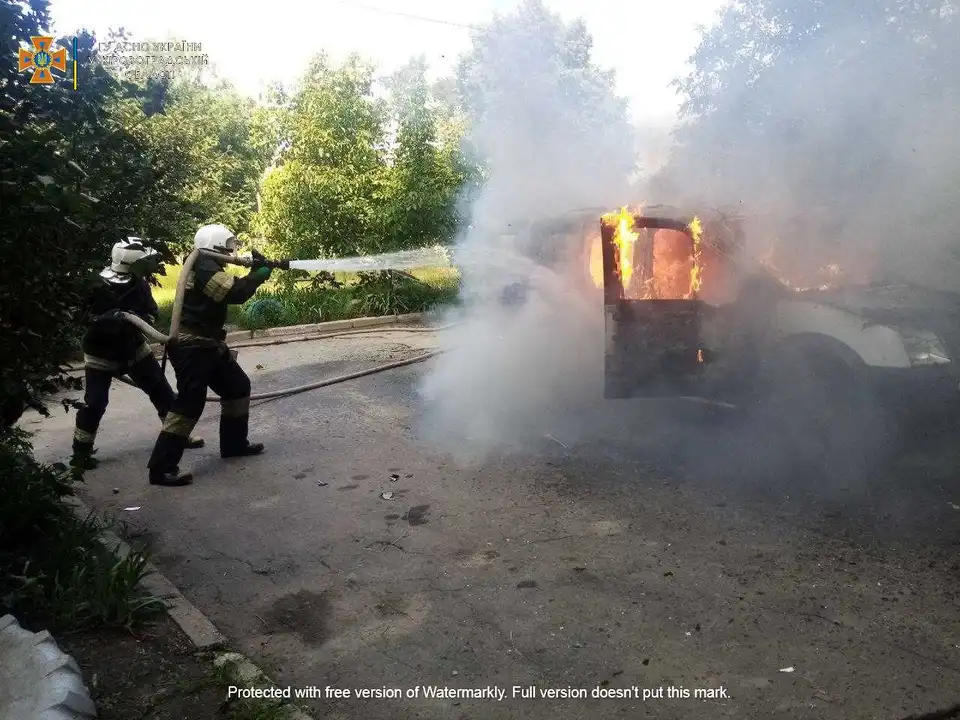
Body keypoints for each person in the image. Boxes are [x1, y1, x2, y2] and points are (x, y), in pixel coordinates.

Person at [146, 224, 272, 486]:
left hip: (209, 343)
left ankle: (234, 445)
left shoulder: (206, 264)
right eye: (228, 244)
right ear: (215, 244)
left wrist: (253, 272)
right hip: (192, 345)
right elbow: (233, 292)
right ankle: (161, 468)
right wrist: (258, 274)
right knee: (190, 403)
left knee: (237, 387)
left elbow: (229, 288)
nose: (231, 250)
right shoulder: (203, 265)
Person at [72, 238, 204, 471]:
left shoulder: (139, 284)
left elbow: (151, 312)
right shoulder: (96, 286)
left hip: (134, 349)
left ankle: (177, 437)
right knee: (95, 403)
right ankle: (81, 453)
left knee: (162, 391)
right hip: (100, 355)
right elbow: (79, 317)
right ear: (131, 263)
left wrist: (139, 320)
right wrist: (104, 320)